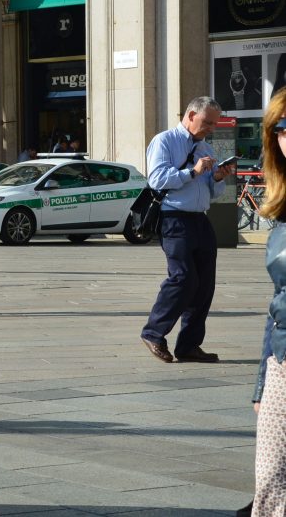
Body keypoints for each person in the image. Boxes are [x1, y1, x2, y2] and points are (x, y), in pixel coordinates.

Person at [140, 96, 236, 364]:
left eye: (214, 124)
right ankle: (153, 333)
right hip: (174, 218)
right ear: (191, 115)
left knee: (204, 284)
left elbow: (212, 191)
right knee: (183, 278)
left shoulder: (206, 147)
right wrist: (192, 172)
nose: (211, 128)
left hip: (200, 220)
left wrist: (217, 178)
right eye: (207, 122)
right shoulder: (165, 141)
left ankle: (189, 345)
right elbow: (157, 179)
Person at [251, 90, 286, 514]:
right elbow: (278, 300)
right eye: (281, 128)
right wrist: (262, 380)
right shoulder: (281, 207)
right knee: (271, 481)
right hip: (282, 360)